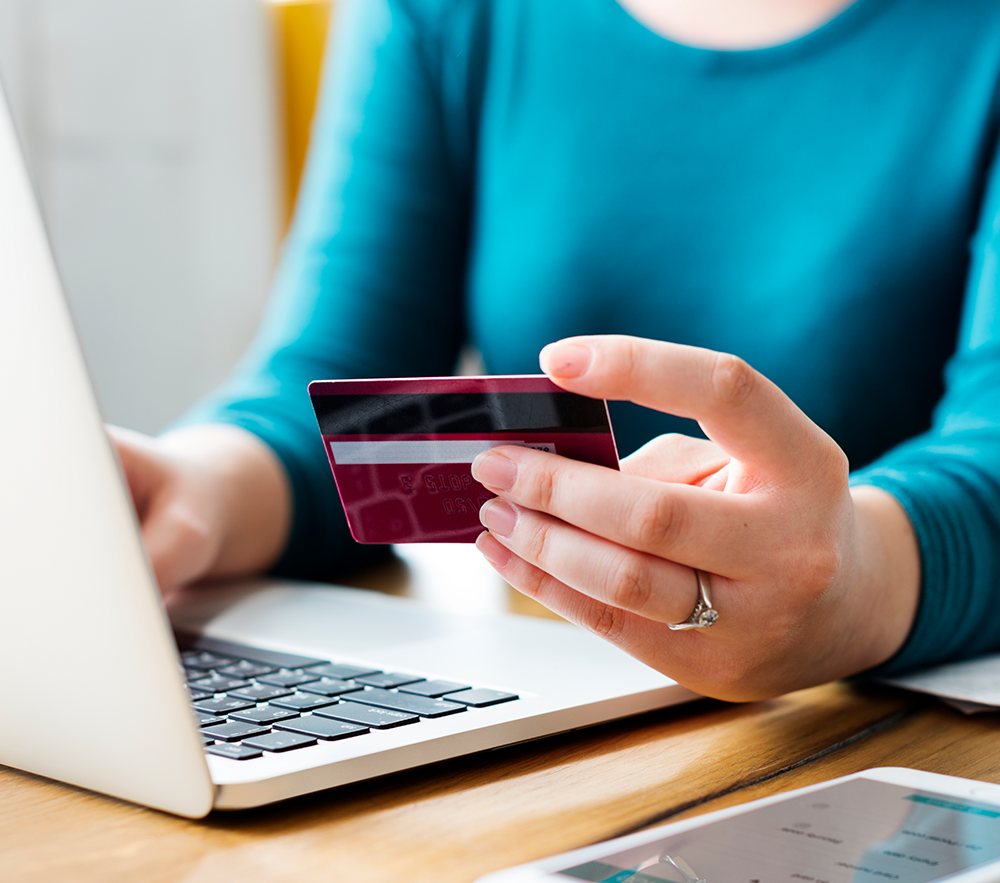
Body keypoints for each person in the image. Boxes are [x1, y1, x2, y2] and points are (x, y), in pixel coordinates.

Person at [111, 0, 1000, 702]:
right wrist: (192, 488)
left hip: (877, 727)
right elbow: (347, 403)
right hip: (548, 701)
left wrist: (852, 584)